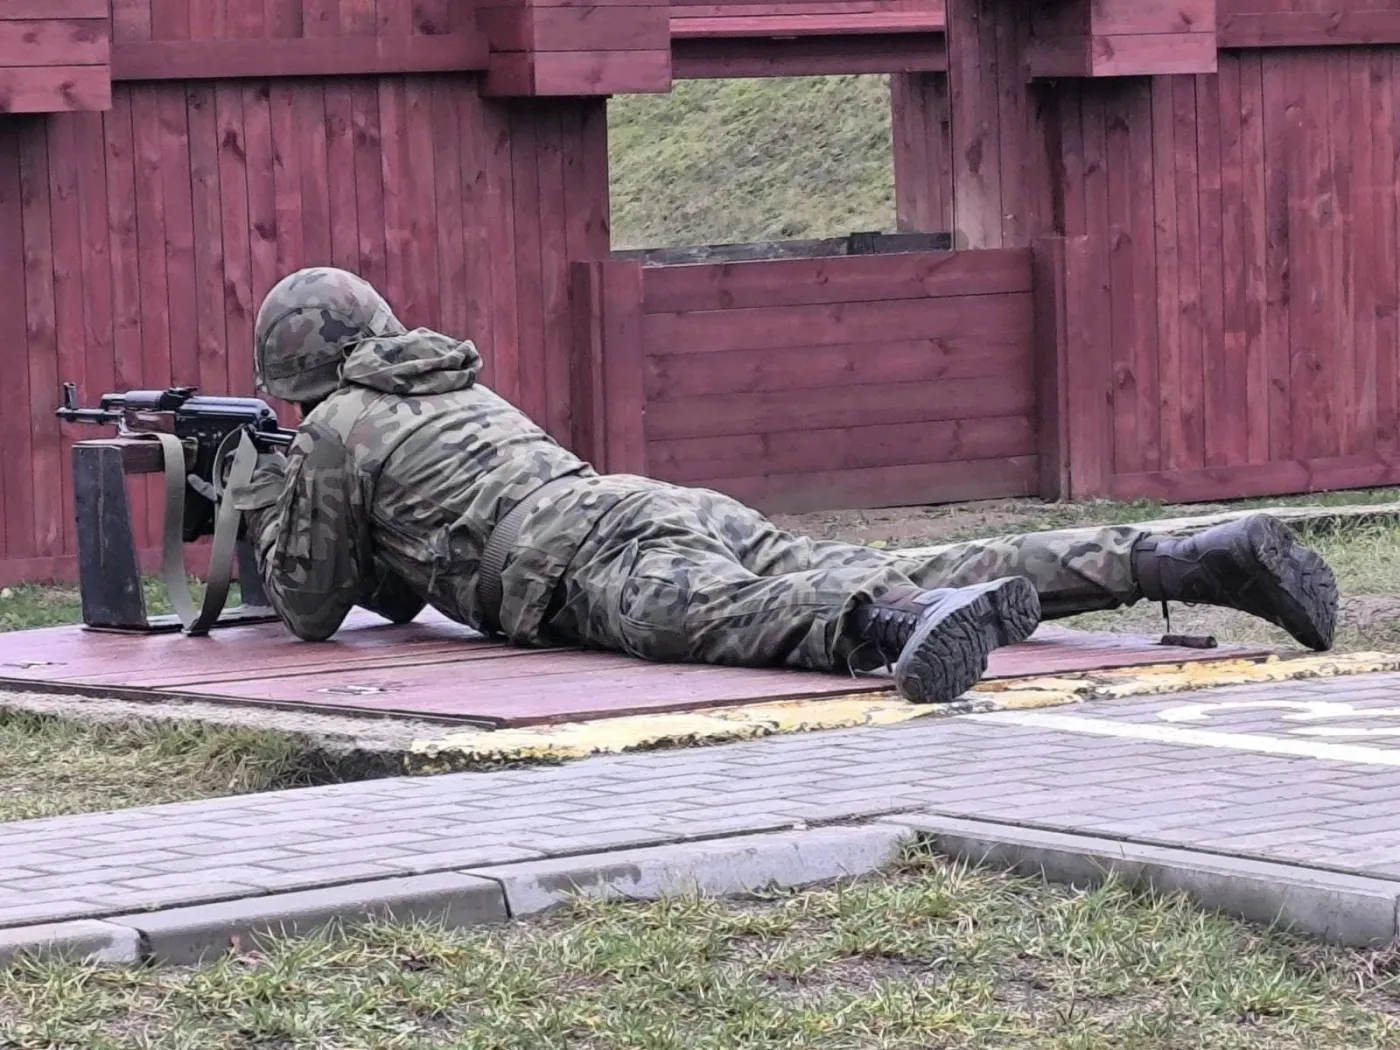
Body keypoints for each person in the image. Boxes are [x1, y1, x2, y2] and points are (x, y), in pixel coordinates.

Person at [230, 267, 1339, 705]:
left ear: (301, 371)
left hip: (581, 563)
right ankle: (1180, 554)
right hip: (651, 506)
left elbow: (314, 608)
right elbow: (396, 575)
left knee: (748, 622)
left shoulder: (338, 427)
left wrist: (251, 500)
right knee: (906, 559)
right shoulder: (449, 389)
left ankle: (898, 627)